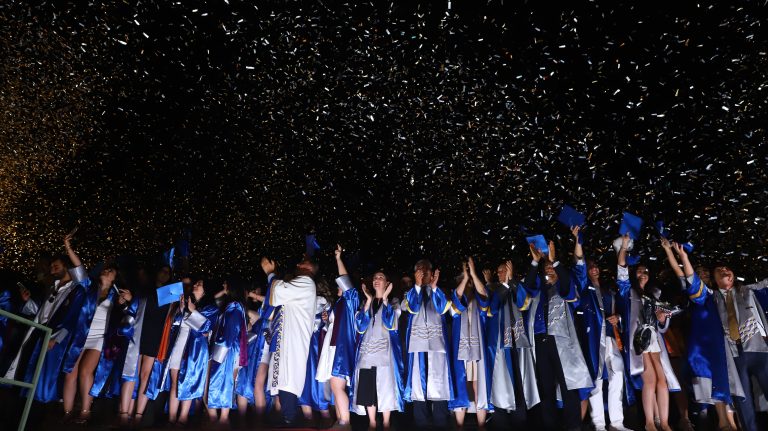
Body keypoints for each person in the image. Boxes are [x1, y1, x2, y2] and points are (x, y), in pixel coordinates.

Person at [677, 243, 768, 431]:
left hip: (759, 349)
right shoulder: (711, 297)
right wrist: (684, 258)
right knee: (743, 402)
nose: (725, 271)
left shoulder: (749, 290)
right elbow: (694, 283)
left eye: (727, 269)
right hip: (734, 355)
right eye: (719, 270)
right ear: (715, 279)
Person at [4, 233, 95, 419]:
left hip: (55, 337)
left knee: (44, 378)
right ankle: (22, 412)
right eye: (51, 265)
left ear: (67, 266)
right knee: (30, 371)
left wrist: (68, 248)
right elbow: (42, 312)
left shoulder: (77, 288)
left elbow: (72, 316)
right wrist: (28, 302)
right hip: (39, 332)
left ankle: (38, 414)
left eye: (57, 265)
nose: (52, 268)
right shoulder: (52, 287)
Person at [523, 239, 592, 431]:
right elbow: (527, 286)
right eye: (546, 266)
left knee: (568, 385)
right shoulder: (539, 289)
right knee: (545, 388)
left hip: (562, 342)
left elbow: (568, 287)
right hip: (541, 341)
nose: (549, 268)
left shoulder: (564, 286)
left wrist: (555, 261)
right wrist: (535, 262)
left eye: (551, 266)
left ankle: (573, 426)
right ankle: (549, 425)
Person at [616, 233, 680, 431]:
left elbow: (662, 325)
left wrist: (662, 319)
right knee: (650, 380)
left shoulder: (655, 294)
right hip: (637, 339)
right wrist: (624, 247)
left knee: (662, 380)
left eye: (646, 271)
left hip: (654, 339)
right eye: (639, 271)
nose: (643, 273)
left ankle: (665, 423)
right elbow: (621, 270)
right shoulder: (627, 291)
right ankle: (649, 423)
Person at [572, 227, 629, 431]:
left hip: (611, 338)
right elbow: (578, 265)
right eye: (590, 267)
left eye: (596, 266)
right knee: (596, 379)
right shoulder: (583, 289)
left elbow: (623, 306)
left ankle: (617, 422)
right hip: (594, 339)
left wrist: (618, 318)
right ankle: (598, 423)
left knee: (617, 376)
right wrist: (578, 241)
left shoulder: (608, 290)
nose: (594, 269)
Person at [262, 255, 318, 425]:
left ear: (309, 269)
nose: (298, 264)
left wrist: (271, 273)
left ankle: (290, 420)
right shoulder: (301, 285)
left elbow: (278, 292)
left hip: (293, 342)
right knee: (283, 382)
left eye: (303, 263)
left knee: (287, 381)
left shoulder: (306, 283)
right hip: (288, 340)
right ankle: (288, 419)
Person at [484, 258, 539, 429]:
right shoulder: (494, 290)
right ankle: (500, 420)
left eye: (504, 270)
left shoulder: (517, 286)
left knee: (519, 379)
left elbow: (524, 303)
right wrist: (505, 285)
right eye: (499, 271)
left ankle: (519, 419)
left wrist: (513, 281)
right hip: (499, 344)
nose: (501, 273)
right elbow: (492, 309)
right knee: (499, 381)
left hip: (518, 342)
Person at [73, 260, 127, 424]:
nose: (106, 271)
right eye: (106, 269)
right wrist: (68, 249)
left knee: (85, 371)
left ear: (115, 279)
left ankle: (85, 411)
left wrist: (123, 304)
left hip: (101, 337)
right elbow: (79, 271)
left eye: (111, 271)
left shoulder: (116, 295)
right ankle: (73, 407)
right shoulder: (91, 288)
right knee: (72, 371)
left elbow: (124, 314)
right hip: (83, 334)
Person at [160, 279, 219, 426]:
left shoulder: (211, 308)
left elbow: (205, 328)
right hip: (179, 344)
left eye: (199, 284)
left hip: (195, 349)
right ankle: (171, 418)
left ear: (205, 290)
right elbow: (175, 323)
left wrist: (192, 311)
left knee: (189, 382)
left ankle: (183, 417)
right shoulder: (186, 302)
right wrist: (181, 309)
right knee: (174, 382)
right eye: (196, 283)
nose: (195, 285)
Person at [402, 259, 453, 428]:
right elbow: (411, 308)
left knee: (438, 382)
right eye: (419, 270)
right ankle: (421, 423)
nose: (423, 273)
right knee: (419, 383)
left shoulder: (440, 291)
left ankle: (441, 422)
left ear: (432, 273)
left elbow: (443, 308)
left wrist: (435, 287)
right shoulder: (410, 293)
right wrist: (417, 286)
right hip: (418, 345)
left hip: (437, 345)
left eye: (426, 270)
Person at [316, 245, 361, 430]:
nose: (338, 288)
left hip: (341, 349)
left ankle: (345, 422)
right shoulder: (340, 303)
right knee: (335, 386)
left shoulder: (351, 299)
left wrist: (338, 259)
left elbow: (346, 282)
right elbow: (335, 328)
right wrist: (327, 321)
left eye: (340, 286)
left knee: (337, 385)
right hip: (334, 348)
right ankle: (341, 421)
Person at [351, 275, 404, 429]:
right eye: (375, 277)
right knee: (368, 386)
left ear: (387, 283)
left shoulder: (394, 302)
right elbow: (360, 327)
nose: (377, 279)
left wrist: (385, 298)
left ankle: (386, 422)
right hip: (367, 351)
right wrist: (368, 301)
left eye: (381, 277)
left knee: (385, 386)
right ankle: (372, 422)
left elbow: (390, 323)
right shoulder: (366, 302)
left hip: (385, 350)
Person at [448, 259, 492, 428]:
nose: (467, 285)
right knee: (462, 384)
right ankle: (459, 425)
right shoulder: (455, 301)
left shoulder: (479, 301)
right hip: (460, 349)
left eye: (469, 282)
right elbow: (456, 301)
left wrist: (473, 274)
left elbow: (485, 295)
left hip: (478, 349)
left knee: (479, 384)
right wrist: (466, 278)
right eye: (463, 281)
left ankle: (481, 425)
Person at [207, 279, 248, 425]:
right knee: (225, 382)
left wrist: (220, 348)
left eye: (226, 284)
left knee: (226, 382)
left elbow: (232, 329)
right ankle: (221, 419)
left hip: (228, 349)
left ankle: (223, 419)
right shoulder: (234, 306)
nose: (223, 285)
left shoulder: (234, 306)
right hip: (230, 348)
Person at [298, 284, 332, 422]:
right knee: (309, 377)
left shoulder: (324, 305)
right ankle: (319, 416)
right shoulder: (325, 305)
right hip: (310, 343)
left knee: (312, 377)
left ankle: (316, 416)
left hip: (315, 344)